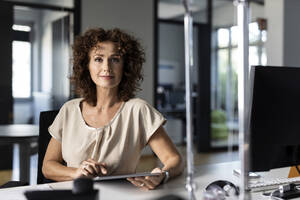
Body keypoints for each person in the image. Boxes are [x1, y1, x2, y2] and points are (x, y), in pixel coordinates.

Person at [42, 27, 184, 190]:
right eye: (98, 59)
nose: (107, 67)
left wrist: (163, 175)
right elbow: (48, 166)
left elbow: (175, 160)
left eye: (115, 59)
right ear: (86, 65)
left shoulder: (138, 110)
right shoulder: (69, 110)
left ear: (125, 66)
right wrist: (76, 173)